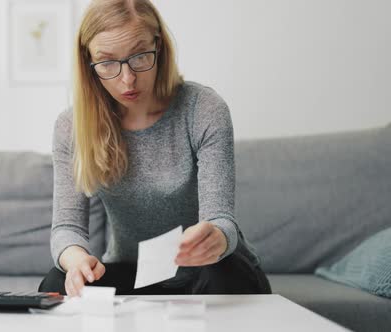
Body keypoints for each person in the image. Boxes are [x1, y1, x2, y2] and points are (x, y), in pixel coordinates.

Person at [38, 0, 272, 297]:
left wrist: (216, 237)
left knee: (219, 276)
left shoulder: (204, 109)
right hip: (135, 272)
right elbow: (66, 229)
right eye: (107, 62)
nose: (128, 79)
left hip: (215, 269)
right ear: (89, 64)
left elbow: (221, 219)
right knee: (56, 285)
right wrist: (77, 261)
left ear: (158, 46)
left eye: (139, 56)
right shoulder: (71, 126)